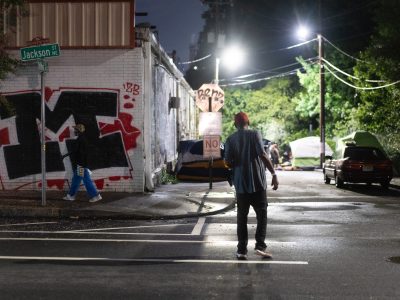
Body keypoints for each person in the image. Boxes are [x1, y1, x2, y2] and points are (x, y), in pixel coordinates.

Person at [224, 112, 279, 260]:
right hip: (258, 183)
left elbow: (227, 162)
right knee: (262, 215)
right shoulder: (255, 134)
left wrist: (236, 161)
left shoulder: (230, 139)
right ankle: (260, 246)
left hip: (241, 185)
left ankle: (242, 250)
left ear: (235, 124)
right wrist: (273, 174)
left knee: (242, 217)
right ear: (248, 122)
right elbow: (262, 154)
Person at [62, 124, 102, 203]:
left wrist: (65, 155)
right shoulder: (82, 139)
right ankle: (71, 196)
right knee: (76, 180)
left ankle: (95, 195)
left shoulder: (80, 140)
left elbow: (77, 152)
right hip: (81, 164)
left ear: (78, 131)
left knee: (86, 180)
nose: (74, 131)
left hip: (81, 165)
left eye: (75, 130)